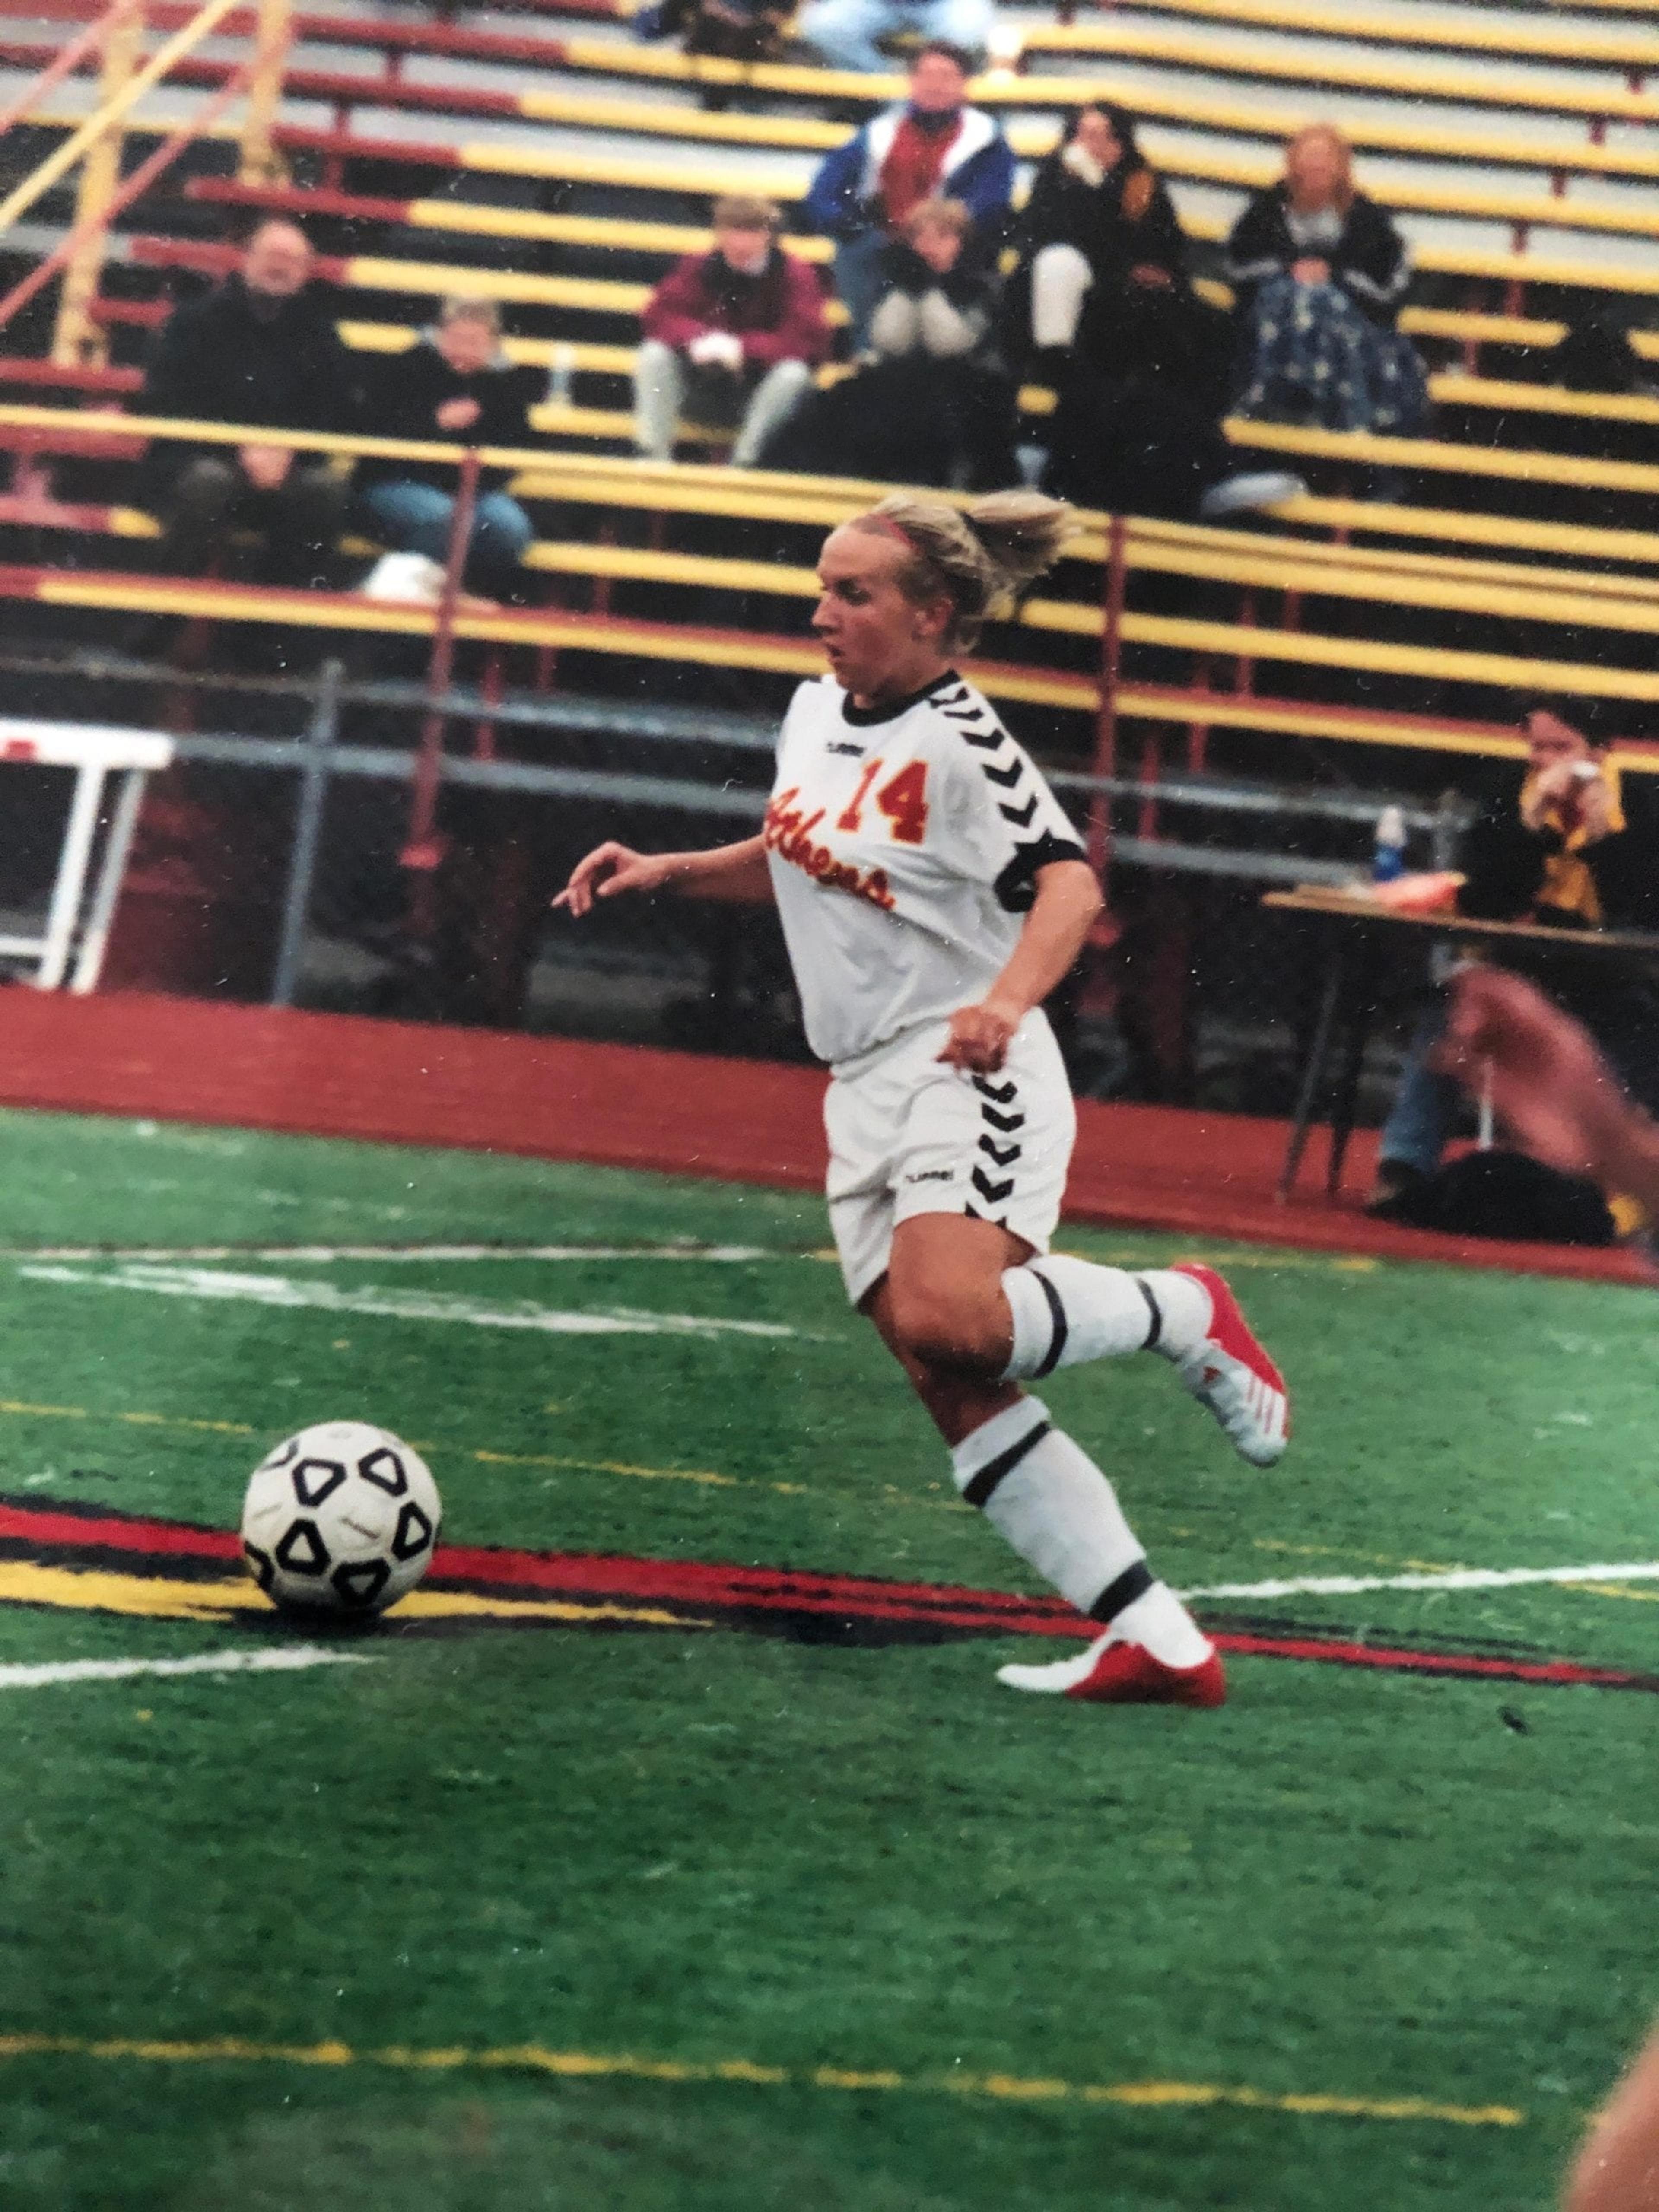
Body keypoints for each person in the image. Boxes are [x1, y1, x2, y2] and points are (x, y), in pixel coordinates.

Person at [554, 488, 1290, 1708]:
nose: (822, 613)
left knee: (954, 1321)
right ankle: (1158, 1641)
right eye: (822, 588)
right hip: (863, 1089)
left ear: (935, 616)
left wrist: (1003, 1003)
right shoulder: (815, 713)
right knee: (946, 1372)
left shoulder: (965, 741)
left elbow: (1069, 888)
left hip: (965, 1066)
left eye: (854, 593)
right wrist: (676, 868)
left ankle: (1182, 1308)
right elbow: (807, 852)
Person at [1372, 699, 1659, 1214]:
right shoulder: (1508, 796)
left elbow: (1642, 907)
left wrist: (1601, 837)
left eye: (1561, 747)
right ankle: (1404, 1164)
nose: (1545, 759)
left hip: (1614, 977)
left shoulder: (1642, 804)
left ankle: (1610, 1192)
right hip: (1525, 969)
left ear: (1597, 752)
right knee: (1450, 1016)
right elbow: (1485, 901)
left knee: (1640, 1035)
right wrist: (1533, 827)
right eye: (1537, 747)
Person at [134, 218, 361, 591]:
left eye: (293, 260)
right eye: (273, 254)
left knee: (326, 492)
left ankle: (266, 641)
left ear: (306, 272)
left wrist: (289, 451)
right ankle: (148, 639)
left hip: (285, 470)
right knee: (209, 483)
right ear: (247, 258)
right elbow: (165, 402)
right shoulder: (193, 322)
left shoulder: (321, 334)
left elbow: (335, 411)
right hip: (196, 463)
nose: (281, 266)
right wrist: (239, 450)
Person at [763, 198, 1015, 488]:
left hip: (968, 384)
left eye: (942, 237)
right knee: (841, 403)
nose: (928, 246)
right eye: (919, 237)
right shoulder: (898, 281)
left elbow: (949, 345)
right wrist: (908, 289)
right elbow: (891, 344)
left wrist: (929, 290)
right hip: (909, 380)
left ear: (963, 242)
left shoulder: (982, 285)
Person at [801, 44, 1014, 350]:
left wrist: (942, 234)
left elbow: (992, 201)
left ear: (965, 84)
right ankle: (869, 349)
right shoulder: (879, 132)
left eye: (946, 76)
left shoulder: (985, 137)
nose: (935, 84)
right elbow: (824, 192)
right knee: (854, 249)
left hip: (953, 248)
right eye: (926, 74)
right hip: (890, 245)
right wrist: (852, 225)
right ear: (911, 81)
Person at [1224, 124, 1427, 441]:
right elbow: (1240, 267)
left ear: (1341, 166)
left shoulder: (1365, 216)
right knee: (1289, 297)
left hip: (1346, 323)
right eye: (1309, 156)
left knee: (1322, 302)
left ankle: (1335, 413)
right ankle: (1275, 405)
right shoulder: (1266, 208)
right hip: (1277, 318)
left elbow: (1386, 286)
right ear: (1293, 162)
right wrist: (1290, 270)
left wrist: (1333, 275)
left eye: (1325, 157)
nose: (1317, 165)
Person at [355, 296, 542, 602]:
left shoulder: (505, 384)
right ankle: (411, 599)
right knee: (445, 517)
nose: (465, 350)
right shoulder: (405, 368)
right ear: (440, 334)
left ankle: (465, 595)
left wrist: (474, 484)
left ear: (493, 344)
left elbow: (517, 450)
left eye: (476, 342)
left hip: (472, 491)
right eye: (457, 338)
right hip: (394, 486)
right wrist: (435, 424)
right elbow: (374, 436)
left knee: (511, 528)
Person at [634, 194, 827, 468]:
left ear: (769, 236)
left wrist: (742, 349)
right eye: (732, 231)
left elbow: (806, 342)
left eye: (751, 232)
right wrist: (698, 339)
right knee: (654, 355)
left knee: (793, 375)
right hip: (703, 386)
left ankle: (744, 464)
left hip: (760, 395)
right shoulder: (698, 266)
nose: (740, 242)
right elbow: (659, 315)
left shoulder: (796, 276)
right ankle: (653, 459)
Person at [1004, 104, 1189, 381]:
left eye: (1101, 136)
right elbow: (1040, 232)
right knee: (1058, 262)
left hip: (1116, 280)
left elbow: (1160, 242)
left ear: (1120, 143)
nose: (1091, 145)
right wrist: (1084, 183)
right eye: (1083, 135)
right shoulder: (1054, 174)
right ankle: (1053, 360)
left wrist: (1101, 183)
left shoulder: (1139, 182)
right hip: (1057, 274)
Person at [798, 0, 992, 81]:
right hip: (879, 4)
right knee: (823, 26)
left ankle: (930, 96)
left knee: (966, 32)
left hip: (944, 5)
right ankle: (888, 92)